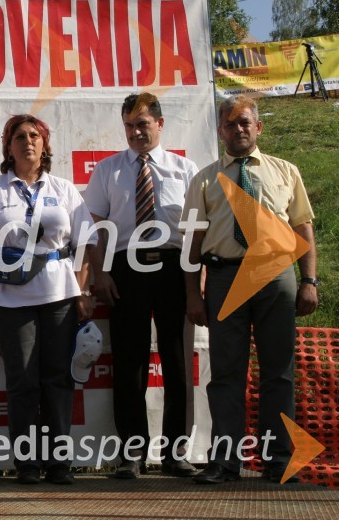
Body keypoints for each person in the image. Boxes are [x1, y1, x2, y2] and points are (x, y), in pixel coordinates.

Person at [184, 96, 318, 484]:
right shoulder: (204, 179)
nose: (238, 129)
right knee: (226, 372)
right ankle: (225, 462)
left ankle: (278, 462)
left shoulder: (285, 172)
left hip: (277, 279)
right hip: (225, 280)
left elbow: (303, 229)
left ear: (258, 128)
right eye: (230, 124)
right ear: (220, 131)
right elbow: (193, 244)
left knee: (279, 373)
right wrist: (194, 294)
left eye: (244, 122)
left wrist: (309, 281)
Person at [0, 114, 96, 484]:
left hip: (58, 292)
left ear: (45, 144)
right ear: (8, 146)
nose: (27, 142)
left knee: (57, 377)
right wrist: (7, 261)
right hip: (9, 296)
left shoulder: (65, 188)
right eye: (19, 136)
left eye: (34, 135)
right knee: (22, 380)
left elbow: (85, 243)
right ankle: (26, 463)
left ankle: (58, 463)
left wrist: (83, 290)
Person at [83, 93, 199, 478]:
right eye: (130, 126)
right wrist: (99, 274)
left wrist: (196, 283)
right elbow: (95, 228)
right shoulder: (108, 170)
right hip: (124, 270)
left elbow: (198, 233)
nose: (136, 132)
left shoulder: (185, 170)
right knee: (129, 363)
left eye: (143, 124)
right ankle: (132, 454)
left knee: (177, 363)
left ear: (160, 124)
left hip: (173, 269)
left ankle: (175, 453)